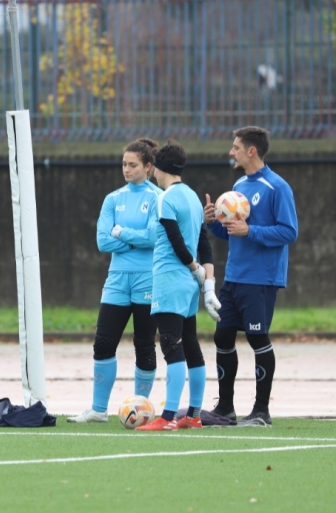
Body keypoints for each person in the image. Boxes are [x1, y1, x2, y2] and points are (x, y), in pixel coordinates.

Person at [203, 126, 298, 427]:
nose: (231, 152)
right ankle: (225, 409)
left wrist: (251, 230)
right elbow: (231, 231)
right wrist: (213, 222)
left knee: (257, 336)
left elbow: (289, 231)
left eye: (235, 147)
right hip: (235, 276)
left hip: (261, 278)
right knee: (222, 335)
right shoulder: (239, 184)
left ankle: (261, 411)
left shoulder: (277, 187)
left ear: (251, 151)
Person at [68, 139, 162, 423]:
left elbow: (154, 238)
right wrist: (132, 240)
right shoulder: (113, 199)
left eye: (133, 165)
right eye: (124, 164)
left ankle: (140, 408)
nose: (126, 169)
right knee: (103, 342)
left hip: (147, 279)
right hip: (117, 279)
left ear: (147, 167)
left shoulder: (157, 197)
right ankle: (98, 410)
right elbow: (102, 241)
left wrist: (122, 234)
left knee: (144, 344)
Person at [137, 140, 222, 431]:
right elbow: (202, 243)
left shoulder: (165, 198)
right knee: (192, 345)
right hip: (187, 285)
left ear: (160, 168)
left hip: (170, 280)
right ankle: (193, 415)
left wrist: (196, 269)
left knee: (171, 346)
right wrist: (206, 283)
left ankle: (168, 416)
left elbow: (175, 243)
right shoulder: (194, 197)